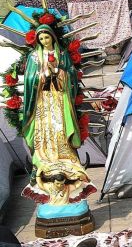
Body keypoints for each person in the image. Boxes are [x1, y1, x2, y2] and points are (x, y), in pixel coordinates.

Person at [20, 24, 95, 206]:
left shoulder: (62, 55)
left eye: (47, 37)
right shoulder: (33, 57)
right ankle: (45, 160)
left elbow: (71, 74)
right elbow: (29, 79)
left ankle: (64, 157)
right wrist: (41, 75)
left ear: (53, 37)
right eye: (41, 39)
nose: (45, 41)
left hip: (60, 99)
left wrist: (59, 73)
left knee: (60, 129)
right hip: (42, 101)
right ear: (37, 40)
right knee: (45, 131)